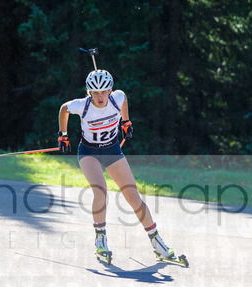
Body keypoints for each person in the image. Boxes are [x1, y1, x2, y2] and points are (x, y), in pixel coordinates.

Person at [58, 69, 176, 262]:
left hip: (112, 150)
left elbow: (124, 99)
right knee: (100, 190)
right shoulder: (82, 105)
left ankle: (156, 241)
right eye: (95, 93)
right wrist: (63, 135)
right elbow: (64, 109)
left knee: (133, 196)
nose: (100, 97)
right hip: (89, 152)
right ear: (89, 92)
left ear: (110, 91)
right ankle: (101, 240)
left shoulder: (117, 98)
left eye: (104, 92)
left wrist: (126, 121)